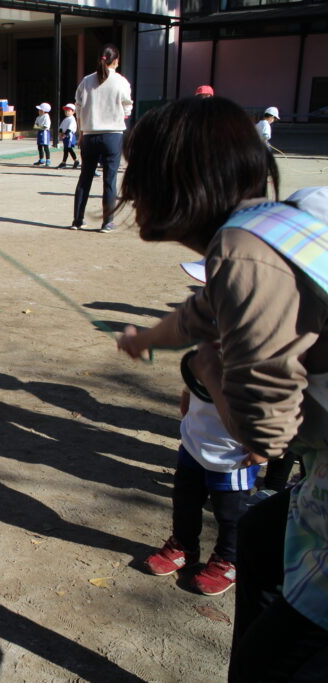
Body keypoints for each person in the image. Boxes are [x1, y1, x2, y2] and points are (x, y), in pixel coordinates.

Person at [114, 95, 328, 681]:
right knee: (261, 535)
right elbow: (199, 314)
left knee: (275, 660)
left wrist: (206, 370)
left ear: (176, 182)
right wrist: (148, 338)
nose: (130, 190)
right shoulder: (275, 225)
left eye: (139, 171)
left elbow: (267, 433)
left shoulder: (241, 254)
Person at [143, 264, 263, 596]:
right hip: (194, 444)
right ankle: (184, 545)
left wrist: (259, 446)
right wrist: (186, 397)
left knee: (230, 513)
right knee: (185, 499)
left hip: (232, 456)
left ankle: (228, 559)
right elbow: (192, 379)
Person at [70, 43, 133, 233]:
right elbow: (127, 107)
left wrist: (81, 133)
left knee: (85, 178)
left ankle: (78, 220)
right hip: (112, 135)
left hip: (89, 135)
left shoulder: (87, 81)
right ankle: (107, 222)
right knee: (109, 180)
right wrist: (119, 115)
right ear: (116, 61)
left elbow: (78, 108)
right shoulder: (121, 81)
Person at [55, 103, 79, 169]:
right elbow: (61, 127)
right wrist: (60, 133)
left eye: (68, 110)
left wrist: (65, 134)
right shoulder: (66, 119)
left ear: (73, 111)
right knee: (68, 149)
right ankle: (75, 161)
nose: (66, 112)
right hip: (65, 136)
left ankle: (64, 162)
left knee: (67, 149)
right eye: (65, 111)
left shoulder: (72, 119)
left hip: (69, 136)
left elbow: (70, 128)